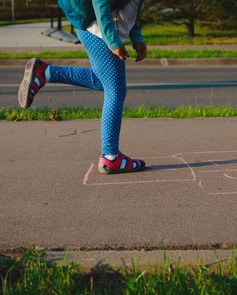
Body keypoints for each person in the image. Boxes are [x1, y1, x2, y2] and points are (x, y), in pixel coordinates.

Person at [18, 0, 146, 175]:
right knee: (115, 91)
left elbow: (133, 5)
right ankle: (110, 157)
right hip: (101, 31)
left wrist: (136, 36)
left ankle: (45, 72)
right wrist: (113, 40)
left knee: (103, 82)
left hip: (99, 28)